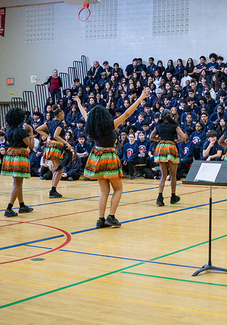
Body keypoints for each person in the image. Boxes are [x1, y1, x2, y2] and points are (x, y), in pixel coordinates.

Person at [76, 88, 150, 228]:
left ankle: (100, 219)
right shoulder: (110, 125)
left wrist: (79, 103)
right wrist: (140, 98)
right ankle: (111, 216)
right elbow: (127, 113)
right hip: (108, 156)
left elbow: (85, 114)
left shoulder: (91, 125)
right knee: (118, 189)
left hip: (97, 156)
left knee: (104, 191)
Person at [0, 107, 35, 217]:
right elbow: (31, 145)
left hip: (11, 155)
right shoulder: (22, 131)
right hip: (20, 156)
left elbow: (9, 142)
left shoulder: (8, 131)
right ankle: (9, 208)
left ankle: (22, 205)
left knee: (18, 182)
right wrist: (31, 131)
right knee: (18, 183)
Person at [150, 109, 188, 207]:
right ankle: (173, 196)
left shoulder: (158, 125)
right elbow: (184, 137)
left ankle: (160, 197)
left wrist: (158, 139)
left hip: (161, 147)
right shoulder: (174, 125)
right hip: (170, 146)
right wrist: (177, 141)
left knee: (163, 175)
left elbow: (151, 137)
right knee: (173, 174)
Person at [36, 106, 74, 199]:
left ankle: (53, 189)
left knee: (56, 169)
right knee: (59, 169)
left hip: (50, 146)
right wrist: (66, 143)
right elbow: (56, 136)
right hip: (56, 146)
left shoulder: (49, 122)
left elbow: (38, 129)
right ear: (60, 114)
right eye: (63, 113)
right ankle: (53, 190)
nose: (64, 115)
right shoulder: (60, 124)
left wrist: (47, 136)